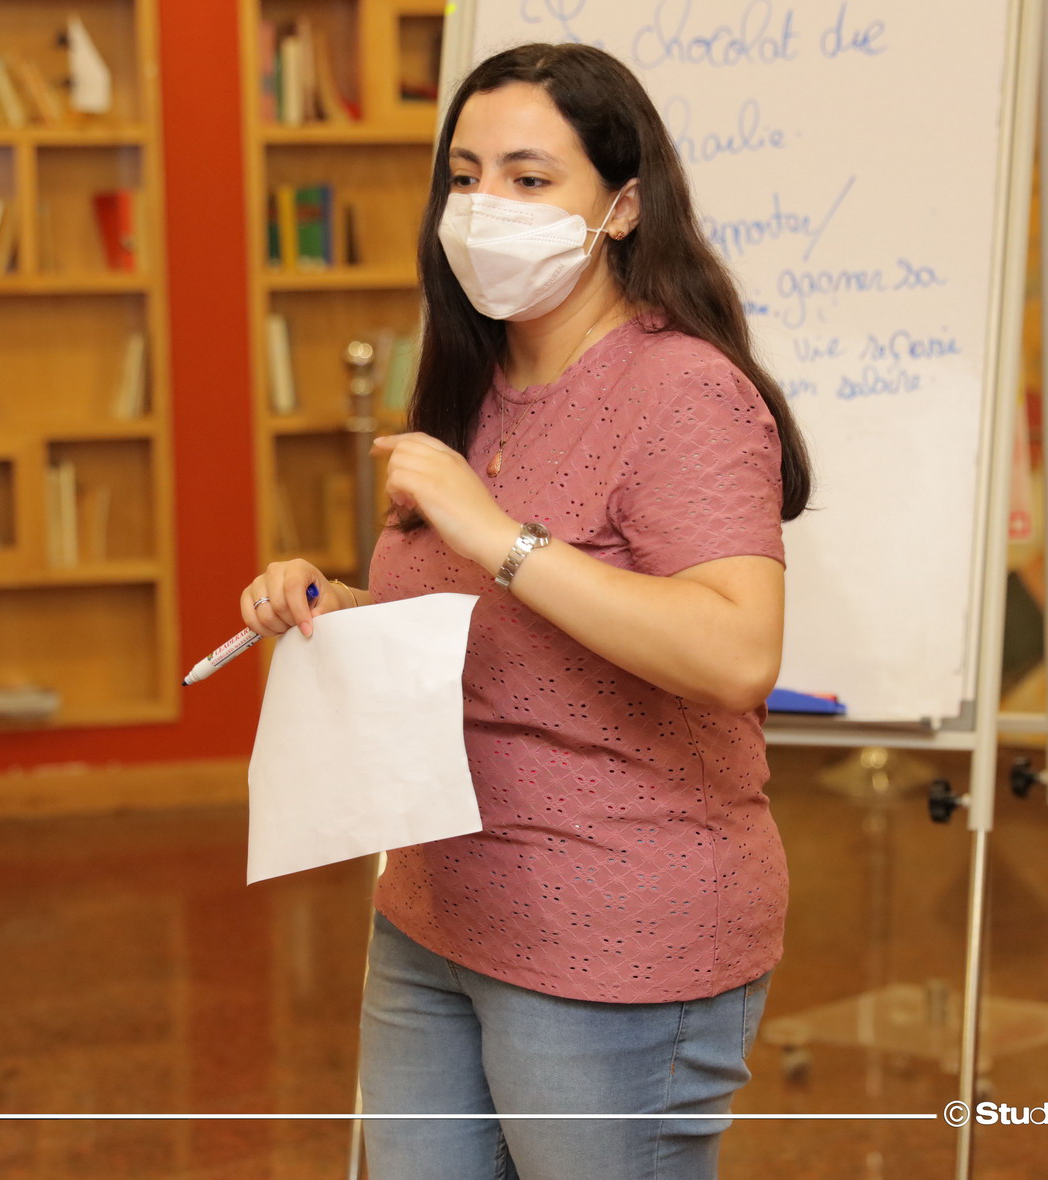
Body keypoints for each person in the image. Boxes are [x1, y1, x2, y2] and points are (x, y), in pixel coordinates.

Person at [238, 41, 812, 1180]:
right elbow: (489, 629)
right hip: (434, 912)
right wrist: (331, 606)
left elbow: (736, 650)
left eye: (529, 177)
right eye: (464, 176)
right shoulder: (472, 379)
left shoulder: (684, 392)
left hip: (612, 938)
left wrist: (497, 532)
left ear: (624, 206)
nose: (484, 205)